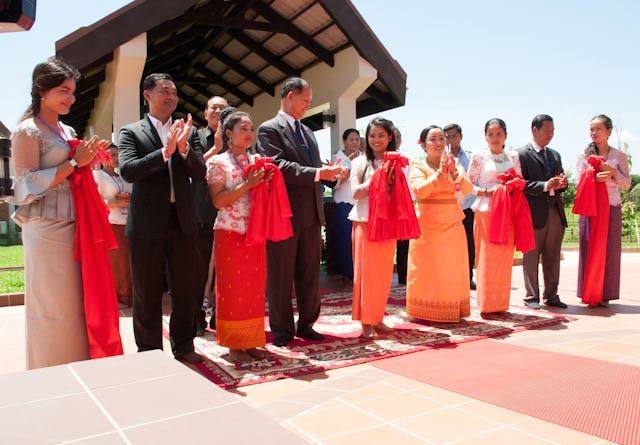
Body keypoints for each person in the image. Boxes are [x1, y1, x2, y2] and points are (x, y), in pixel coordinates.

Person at [8, 58, 113, 368]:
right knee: (50, 305)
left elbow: (76, 170)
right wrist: (73, 163)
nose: (70, 98)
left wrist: (89, 157)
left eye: (73, 92)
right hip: (44, 226)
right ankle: (47, 372)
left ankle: (78, 366)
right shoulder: (26, 132)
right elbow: (24, 184)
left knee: (75, 304)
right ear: (42, 91)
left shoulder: (65, 128)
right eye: (64, 91)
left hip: (74, 224)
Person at [119, 73, 206, 363]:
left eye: (174, 92)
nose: (170, 97)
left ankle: (183, 345)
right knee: (146, 290)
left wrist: (183, 149)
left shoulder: (188, 132)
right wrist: (165, 152)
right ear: (147, 95)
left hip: (181, 220)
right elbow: (129, 170)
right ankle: (149, 352)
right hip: (146, 222)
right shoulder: (131, 132)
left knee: (185, 287)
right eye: (164, 91)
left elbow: (199, 172)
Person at [257, 77, 345, 347]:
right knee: (281, 275)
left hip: (312, 213)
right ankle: (282, 331)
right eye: (305, 100)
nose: (308, 105)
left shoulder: (306, 132)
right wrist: (319, 173)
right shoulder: (268, 129)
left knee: (309, 273)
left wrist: (332, 174)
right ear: (290, 96)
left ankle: (306, 325)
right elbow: (278, 166)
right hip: (284, 214)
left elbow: (314, 166)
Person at [207, 111, 273, 362]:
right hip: (229, 231)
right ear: (229, 133)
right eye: (243, 129)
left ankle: (252, 340)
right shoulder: (217, 162)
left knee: (255, 290)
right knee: (232, 290)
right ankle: (234, 344)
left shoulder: (257, 160)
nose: (248, 133)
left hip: (254, 232)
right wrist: (248, 184)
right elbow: (217, 200)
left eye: (251, 129)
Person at [406, 126, 474, 322]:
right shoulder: (418, 165)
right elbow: (420, 191)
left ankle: (449, 309)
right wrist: (438, 175)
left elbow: (467, 188)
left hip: (451, 223)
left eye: (441, 139)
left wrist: (452, 171)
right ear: (423, 144)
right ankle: (424, 310)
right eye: (433, 139)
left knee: (450, 269)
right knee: (425, 269)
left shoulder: (455, 163)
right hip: (426, 225)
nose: (438, 143)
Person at [349, 118, 401, 337]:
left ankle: (378, 317)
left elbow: (400, 196)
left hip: (387, 223)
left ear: (390, 137)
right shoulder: (360, 163)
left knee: (382, 273)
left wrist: (391, 183)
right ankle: (366, 323)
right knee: (365, 275)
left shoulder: (396, 163)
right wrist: (376, 180)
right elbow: (354, 193)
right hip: (364, 221)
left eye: (381, 135)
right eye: (372, 135)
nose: (376, 139)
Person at [467, 118, 522, 314]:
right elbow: (468, 185)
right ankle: (486, 303)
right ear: (485, 136)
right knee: (486, 255)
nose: (495, 138)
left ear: (506, 135)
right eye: (491, 134)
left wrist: (512, 186)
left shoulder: (513, 156)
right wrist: (485, 192)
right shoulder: (479, 157)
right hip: (486, 209)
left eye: (499, 134)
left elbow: (520, 179)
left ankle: (501, 303)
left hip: (507, 209)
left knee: (504, 255)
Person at [575, 114, 631, 307]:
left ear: (609, 131)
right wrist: (592, 178)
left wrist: (614, 173)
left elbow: (626, 184)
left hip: (611, 206)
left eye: (598, 129)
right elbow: (577, 182)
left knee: (610, 251)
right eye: (591, 129)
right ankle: (587, 291)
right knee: (588, 247)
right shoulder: (583, 156)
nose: (594, 133)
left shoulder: (619, 156)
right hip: (590, 208)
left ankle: (606, 293)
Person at [517, 115, 568, 309]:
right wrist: (544, 185)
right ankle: (532, 297)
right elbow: (521, 183)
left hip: (555, 210)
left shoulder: (554, 155)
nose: (550, 135)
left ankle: (552, 295)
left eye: (553, 131)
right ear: (534, 130)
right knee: (531, 255)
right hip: (533, 212)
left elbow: (561, 180)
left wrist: (562, 183)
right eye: (547, 131)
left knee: (553, 255)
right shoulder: (521, 154)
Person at [194, 95, 230, 335]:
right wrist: (216, 148)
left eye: (223, 109)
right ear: (205, 113)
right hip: (202, 211)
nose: (218, 111)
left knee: (225, 270)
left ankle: (221, 317)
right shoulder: (195, 136)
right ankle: (196, 319)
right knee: (198, 270)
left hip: (230, 214)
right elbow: (192, 167)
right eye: (213, 108)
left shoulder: (236, 137)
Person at [93, 143, 133, 307]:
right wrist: (113, 202)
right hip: (111, 223)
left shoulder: (121, 176)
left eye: (118, 155)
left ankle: (126, 297)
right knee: (116, 263)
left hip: (126, 222)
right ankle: (116, 298)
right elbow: (94, 200)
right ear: (102, 157)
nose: (116, 158)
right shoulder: (98, 176)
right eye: (112, 154)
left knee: (126, 263)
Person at [444, 124, 477, 290]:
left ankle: (468, 276)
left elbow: (473, 181)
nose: (451, 140)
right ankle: (450, 277)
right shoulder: (441, 159)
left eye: (454, 136)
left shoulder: (471, 157)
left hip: (468, 207)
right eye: (447, 137)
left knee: (469, 243)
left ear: (461, 137)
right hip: (448, 208)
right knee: (448, 244)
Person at [331, 128, 360, 287]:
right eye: (351, 140)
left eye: (356, 139)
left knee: (358, 240)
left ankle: (357, 272)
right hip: (343, 203)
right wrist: (346, 174)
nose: (354, 143)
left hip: (359, 204)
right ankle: (345, 274)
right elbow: (333, 182)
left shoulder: (363, 158)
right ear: (344, 141)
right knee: (344, 240)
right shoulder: (338, 157)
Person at [393, 127, 410, 285]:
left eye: (399, 137)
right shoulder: (381, 158)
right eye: (394, 136)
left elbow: (411, 184)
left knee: (404, 242)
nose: (396, 140)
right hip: (388, 206)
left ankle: (404, 278)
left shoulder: (407, 158)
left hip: (404, 205)